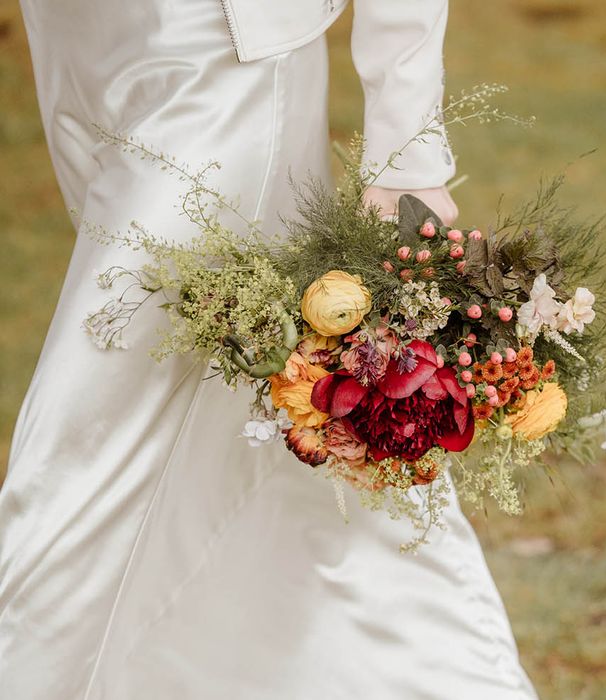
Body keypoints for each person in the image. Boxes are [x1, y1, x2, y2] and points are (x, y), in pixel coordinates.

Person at [0, 1, 539, 698]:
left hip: (218, 69)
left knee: (95, 432)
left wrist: (408, 151)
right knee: (229, 432)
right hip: (86, 48)